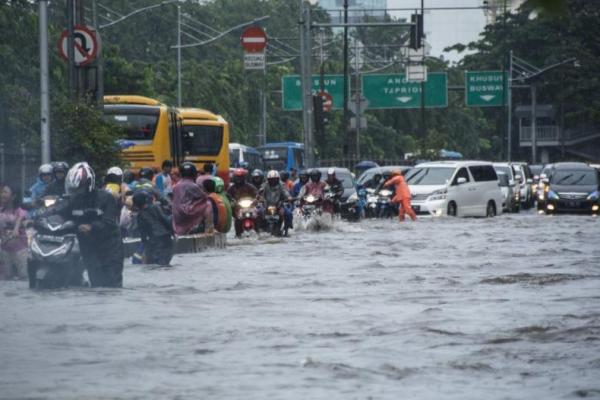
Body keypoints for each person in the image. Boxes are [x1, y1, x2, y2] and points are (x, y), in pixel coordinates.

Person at [45, 162, 124, 287]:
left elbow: (109, 223)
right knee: (96, 282)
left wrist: (91, 227)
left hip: (110, 247)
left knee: (112, 285)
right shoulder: (74, 199)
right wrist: (45, 215)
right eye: (74, 189)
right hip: (88, 247)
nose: (77, 192)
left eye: (79, 188)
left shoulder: (106, 198)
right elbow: (60, 210)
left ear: (88, 184)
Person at [171, 162, 213, 235]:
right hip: (187, 214)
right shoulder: (193, 185)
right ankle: (209, 231)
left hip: (177, 217)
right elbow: (204, 198)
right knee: (208, 204)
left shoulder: (176, 185)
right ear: (193, 173)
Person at [133, 191, 173, 267]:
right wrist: (172, 232)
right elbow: (165, 220)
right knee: (165, 263)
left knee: (156, 264)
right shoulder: (155, 207)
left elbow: (143, 233)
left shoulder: (139, 216)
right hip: (166, 237)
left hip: (155, 240)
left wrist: (143, 246)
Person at [0, 184, 28, 280]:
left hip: (20, 250)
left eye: (5, 192)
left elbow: (21, 220)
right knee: (5, 278)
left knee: (23, 277)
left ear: (13, 196)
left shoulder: (20, 212)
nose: (2, 194)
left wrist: (17, 227)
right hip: (4, 250)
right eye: (1, 192)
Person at [227, 168, 259, 237]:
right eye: (237, 177)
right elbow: (228, 196)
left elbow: (257, 194)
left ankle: (257, 231)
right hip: (238, 207)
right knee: (237, 219)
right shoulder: (232, 188)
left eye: (240, 177)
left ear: (244, 177)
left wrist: (256, 199)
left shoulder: (249, 186)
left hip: (250, 206)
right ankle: (238, 234)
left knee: (257, 216)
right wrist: (231, 202)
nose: (239, 179)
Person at [259, 170, 292, 236]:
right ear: (268, 180)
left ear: (278, 179)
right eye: (271, 179)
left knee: (288, 213)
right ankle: (259, 229)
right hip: (266, 205)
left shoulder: (281, 185)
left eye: (275, 179)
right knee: (258, 212)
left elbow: (285, 192)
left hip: (279, 205)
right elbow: (260, 193)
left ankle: (286, 229)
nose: (273, 181)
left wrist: (289, 197)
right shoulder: (265, 185)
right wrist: (259, 197)